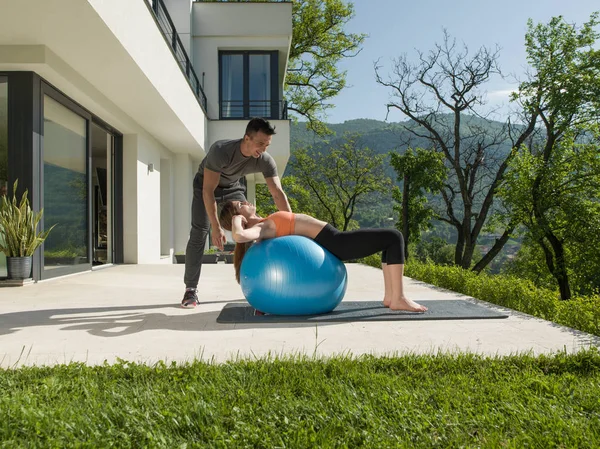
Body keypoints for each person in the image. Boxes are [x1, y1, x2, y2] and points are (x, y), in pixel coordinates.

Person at [219, 200, 428, 313]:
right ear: (240, 216)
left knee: (389, 240)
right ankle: (398, 298)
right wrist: (237, 220)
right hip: (334, 242)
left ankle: (391, 297)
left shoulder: (264, 222)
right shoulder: (262, 227)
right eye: (240, 205)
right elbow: (239, 236)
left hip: (332, 240)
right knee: (394, 237)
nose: (246, 202)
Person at [181, 118, 291, 308]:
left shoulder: (264, 160)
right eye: (260, 143)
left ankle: (255, 283)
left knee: (252, 227)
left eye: (267, 144)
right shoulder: (221, 151)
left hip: (233, 188)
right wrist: (216, 228)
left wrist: (291, 223)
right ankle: (190, 290)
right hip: (206, 187)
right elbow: (208, 190)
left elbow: (277, 193)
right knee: (200, 232)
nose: (264, 149)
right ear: (247, 138)